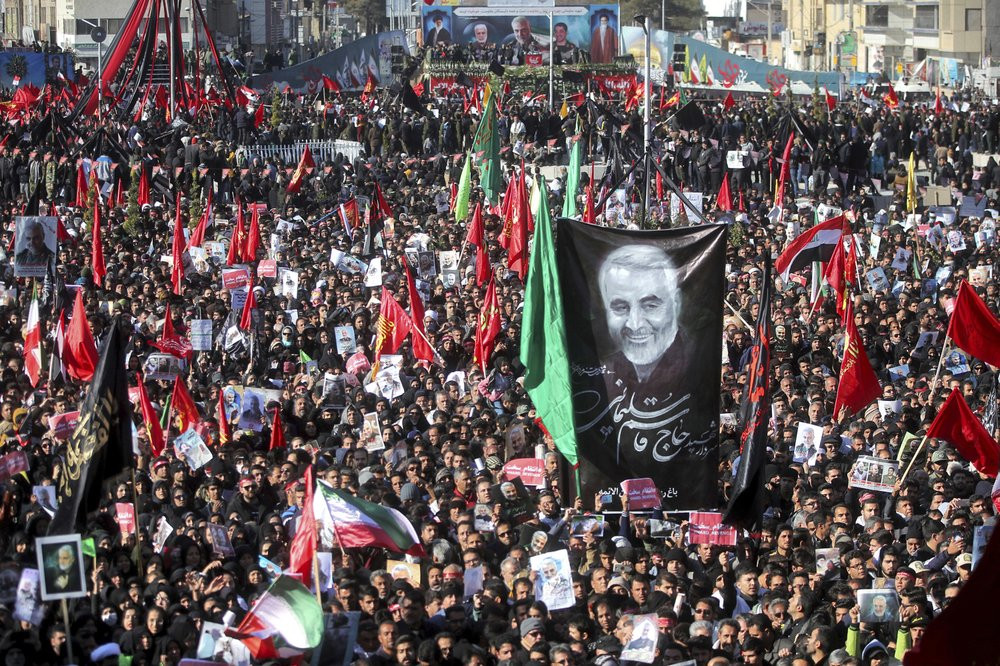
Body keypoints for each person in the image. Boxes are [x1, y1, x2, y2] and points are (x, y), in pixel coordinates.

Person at [597, 244, 681, 383]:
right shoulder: (600, 374)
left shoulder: (698, 364)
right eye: (621, 307)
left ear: (675, 305)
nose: (634, 324)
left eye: (650, 306)